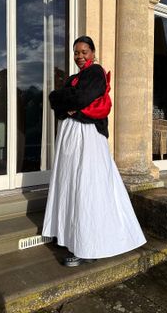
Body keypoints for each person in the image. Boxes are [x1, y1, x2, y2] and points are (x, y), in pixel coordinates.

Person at [42, 35, 146, 267]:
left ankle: (87, 245)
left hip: (88, 136)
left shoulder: (96, 72)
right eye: (76, 52)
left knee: (86, 186)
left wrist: (69, 105)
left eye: (84, 52)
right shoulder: (73, 78)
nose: (80, 56)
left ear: (93, 52)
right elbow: (54, 101)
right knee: (69, 184)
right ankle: (70, 236)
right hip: (70, 135)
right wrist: (63, 101)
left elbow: (80, 97)